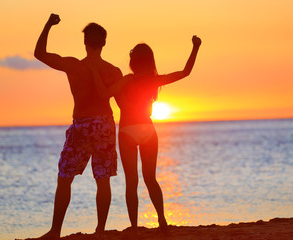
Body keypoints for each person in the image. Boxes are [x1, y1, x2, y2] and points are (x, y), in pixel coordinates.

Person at [89, 35, 201, 237]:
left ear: (132, 62)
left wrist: (96, 71)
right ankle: (162, 221)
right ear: (150, 61)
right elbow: (186, 72)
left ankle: (133, 227)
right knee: (151, 179)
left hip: (127, 131)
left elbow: (104, 94)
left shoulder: (127, 80)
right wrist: (195, 47)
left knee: (132, 182)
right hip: (148, 131)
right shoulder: (154, 80)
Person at [32, 13, 122, 239]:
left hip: (82, 125)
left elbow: (39, 54)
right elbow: (123, 104)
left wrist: (48, 25)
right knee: (102, 179)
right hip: (104, 124)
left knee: (65, 177)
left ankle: (55, 231)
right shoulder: (113, 71)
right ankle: (100, 231)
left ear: (85, 43)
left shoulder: (73, 66)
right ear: (103, 43)